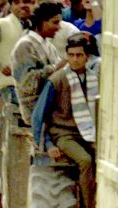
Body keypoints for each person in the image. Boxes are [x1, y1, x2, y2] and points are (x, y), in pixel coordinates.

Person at [32, 34, 97, 208]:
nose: (75, 59)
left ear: (87, 57)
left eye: (79, 55)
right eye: (71, 55)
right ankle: (89, 205)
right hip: (64, 134)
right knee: (85, 160)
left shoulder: (94, 78)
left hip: (89, 132)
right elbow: (39, 116)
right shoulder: (57, 80)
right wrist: (48, 145)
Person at [10, 0, 66, 123]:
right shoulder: (25, 45)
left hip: (49, 110)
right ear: (42, 22)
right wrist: (56, 68)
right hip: (35, 113)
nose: (59, 27)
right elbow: (27, 84)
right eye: (55, 22)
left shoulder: (49, 46)